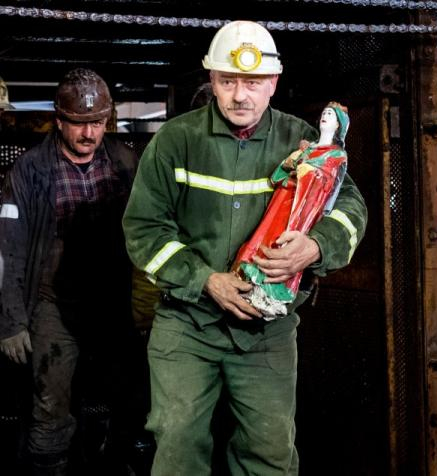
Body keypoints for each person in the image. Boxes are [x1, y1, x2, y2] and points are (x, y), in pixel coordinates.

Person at [121, 20, 367, 475]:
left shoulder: (303, 142)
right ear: (212, 81)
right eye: (229, 81)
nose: (240, 95)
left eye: (253, 83)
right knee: (177, 443)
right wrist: (205, 280)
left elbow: (351, 209)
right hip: (187, 325)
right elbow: (144, 230)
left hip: (266, 333)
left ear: (273, 82)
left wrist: (315, 246)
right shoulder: (175, 142)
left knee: (269, 453)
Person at [0, 68, 144, 475]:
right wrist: (11, 322)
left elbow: (149, 236)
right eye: (79, 124)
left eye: (97, 123)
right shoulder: (29, 170)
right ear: (59, 121)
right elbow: (7, 248)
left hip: (113, 303)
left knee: (130, 397)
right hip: (54, 305)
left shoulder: (125, 163)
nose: (89, 134)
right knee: (50, 408)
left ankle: (112, 462)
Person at [232, 102, 350, 318]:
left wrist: (305, 169)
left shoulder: (336, 156)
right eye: (324, 113)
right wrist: (291, 164)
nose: (325, 117)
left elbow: (330, 187)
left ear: (339, 126)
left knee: (285, 247)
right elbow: (279, 174)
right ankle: (253, 282)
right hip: (284, 200)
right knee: (266, 238)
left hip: (303, 208)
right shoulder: (308, 148)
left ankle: (272, 293)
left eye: (331, 115)